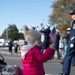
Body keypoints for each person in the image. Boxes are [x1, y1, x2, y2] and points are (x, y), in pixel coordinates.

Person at [59, 9, 75, 75]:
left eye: (73, 14)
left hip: (73, 41)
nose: (72, 16)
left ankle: (65, 72)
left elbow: (74, 33)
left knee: (68, 56)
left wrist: (72, 42)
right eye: (72, 14)